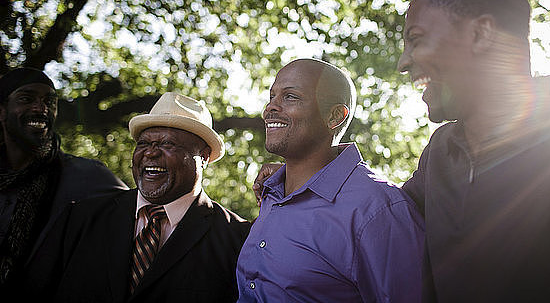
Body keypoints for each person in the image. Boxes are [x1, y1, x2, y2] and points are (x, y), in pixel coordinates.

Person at [397, 0, 550, 302]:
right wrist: (300, 179)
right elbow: (383, 214)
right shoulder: (440, 152)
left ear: (481, 34)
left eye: (416, 39)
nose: (404, 62)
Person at [237, 58, 424, 302]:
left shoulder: (378, 210)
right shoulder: (270, 192)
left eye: (290, 97)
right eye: (272, 96)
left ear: (335, 116)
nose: (270, 108)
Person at [45, 92, 250, 302]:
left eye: (168, 144)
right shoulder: (80, 218)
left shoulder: (237, 239)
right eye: (143, 144)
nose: (150, 153)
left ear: (204, 157)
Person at [0, 67, 126, 292]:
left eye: (50, 101)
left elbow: (144, 221)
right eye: (26, 99)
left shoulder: (87, 176)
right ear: (1, 111)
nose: (41, 109)